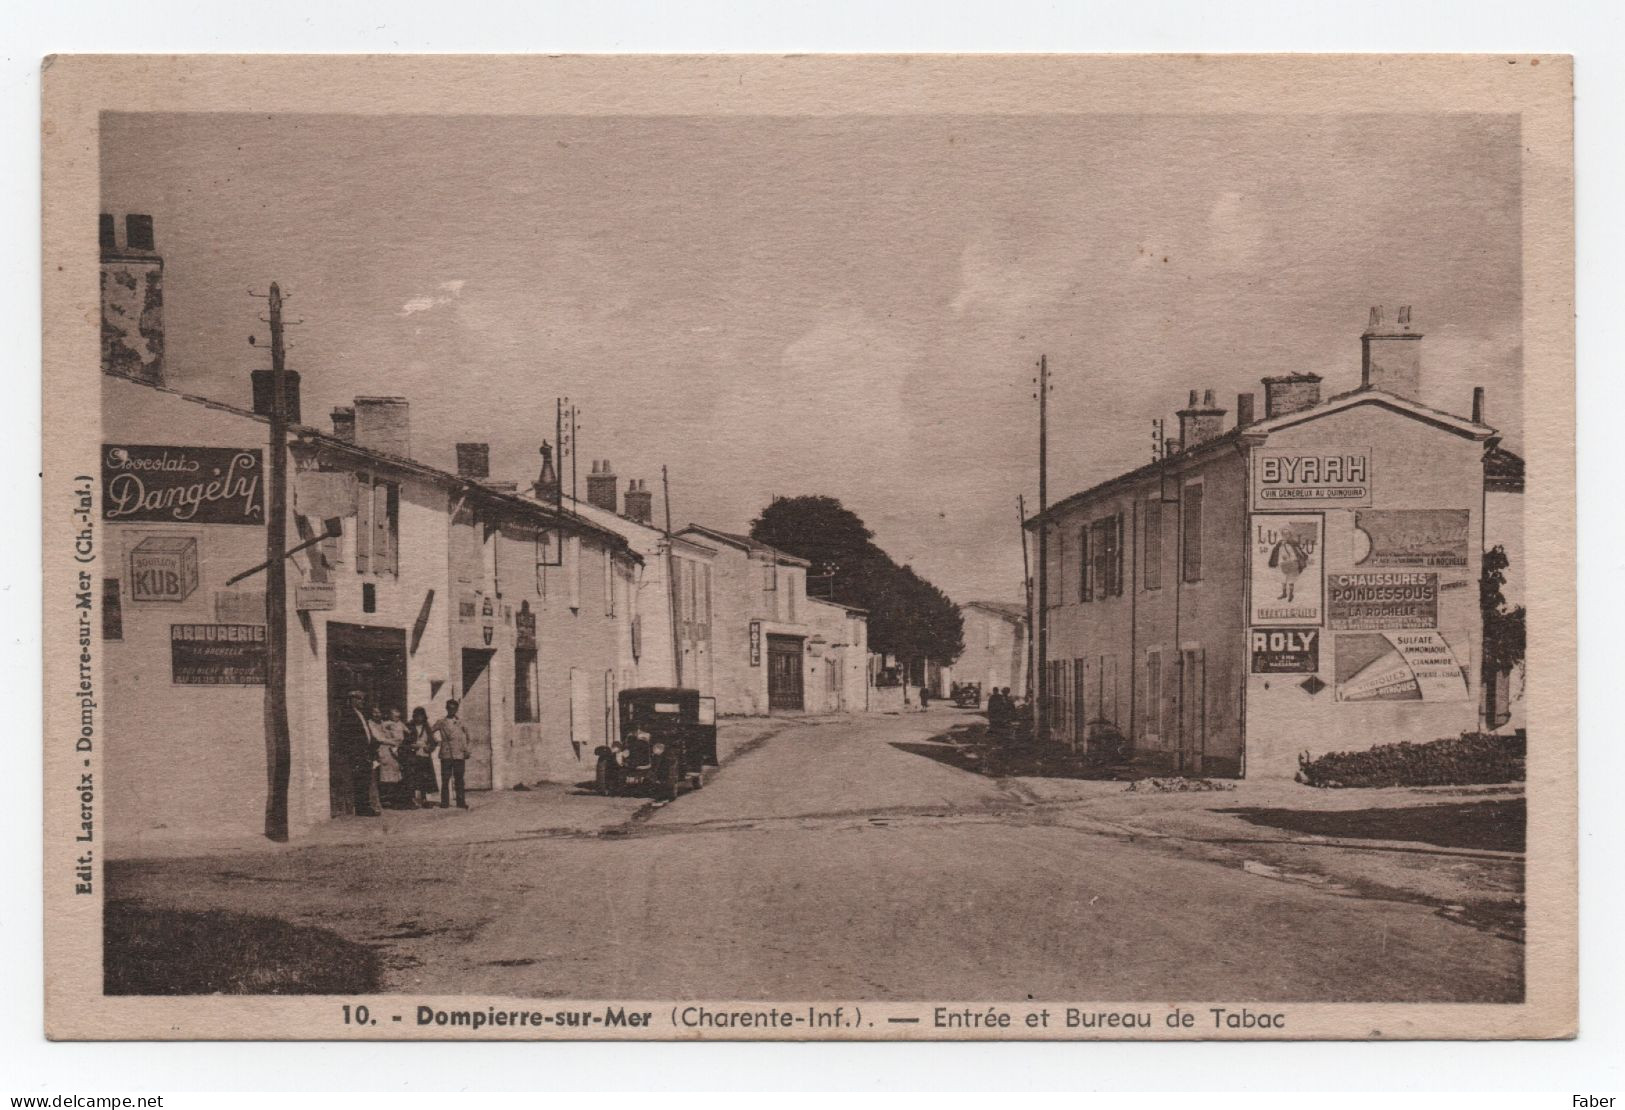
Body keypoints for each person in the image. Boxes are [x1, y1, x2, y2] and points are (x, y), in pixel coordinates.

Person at [335, 689, 379, 817]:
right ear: (352, 700)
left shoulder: (362, 714)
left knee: (365, 780)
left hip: (366, 752)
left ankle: (365, 806)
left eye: (363, 699)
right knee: (359, 780)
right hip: (357, 753)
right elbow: (348, 735)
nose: (362, 701)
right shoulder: (348, 714)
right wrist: (355, 752)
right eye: (359, 699)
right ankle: (361, 807)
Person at [433, 698, 473, 810]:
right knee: (445, 779)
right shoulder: (441, 722)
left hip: (459, 754)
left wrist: (467, 750)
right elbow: (430, 732)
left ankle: (461, 802)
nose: (452, 710)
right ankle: (444, 802)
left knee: (459, 779)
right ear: (446, 709)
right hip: (446, 754)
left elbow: (469, 737)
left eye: (454, 708)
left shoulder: (461, 722)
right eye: (449, 708)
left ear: (456, 709)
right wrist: (437, 742)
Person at [405, 706, 439, 808]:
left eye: (421, 716)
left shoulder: (427, 727)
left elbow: (433, 742)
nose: (419, 718)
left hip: (424, 756)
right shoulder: (408, 726)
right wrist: (411, 747)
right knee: (413, 778)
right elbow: (404, 741)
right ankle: (412, 800)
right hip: (413, 756)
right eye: (417, 716)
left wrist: (430, 748)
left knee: (424, 778)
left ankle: (423, 800)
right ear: (414, 716)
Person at [375, 706, 407, 808]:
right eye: (394, 716)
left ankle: (394, 798)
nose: (396, 718)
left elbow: (407, 731)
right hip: (390, 748)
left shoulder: (400, 723)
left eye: (398, 716)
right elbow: (382, 731)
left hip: (398, 747)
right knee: (388, 775)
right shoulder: (387, 723)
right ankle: (387, 798)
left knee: (397, 773)